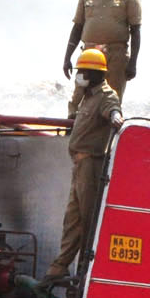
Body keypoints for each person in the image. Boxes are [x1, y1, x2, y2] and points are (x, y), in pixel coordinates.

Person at [44, 48, 125, 281]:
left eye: (83, 72)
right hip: (79, 166)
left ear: (95, 74)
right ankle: (59, 267)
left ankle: (85, 271)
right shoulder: (87, 96)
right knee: (73, 219)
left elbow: (113, 110)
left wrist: (115, 117)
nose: (79, 75)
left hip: (91, 165)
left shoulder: (106, 95)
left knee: (88, 218)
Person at [62, 0, 142, 107]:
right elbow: (77, 27)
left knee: (111, 100)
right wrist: (67, 57)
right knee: (79, 97)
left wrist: (133, 62)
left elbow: (135, 30)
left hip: (116, 56)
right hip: (89, 55)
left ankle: (107, 132)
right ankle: (73, 128)